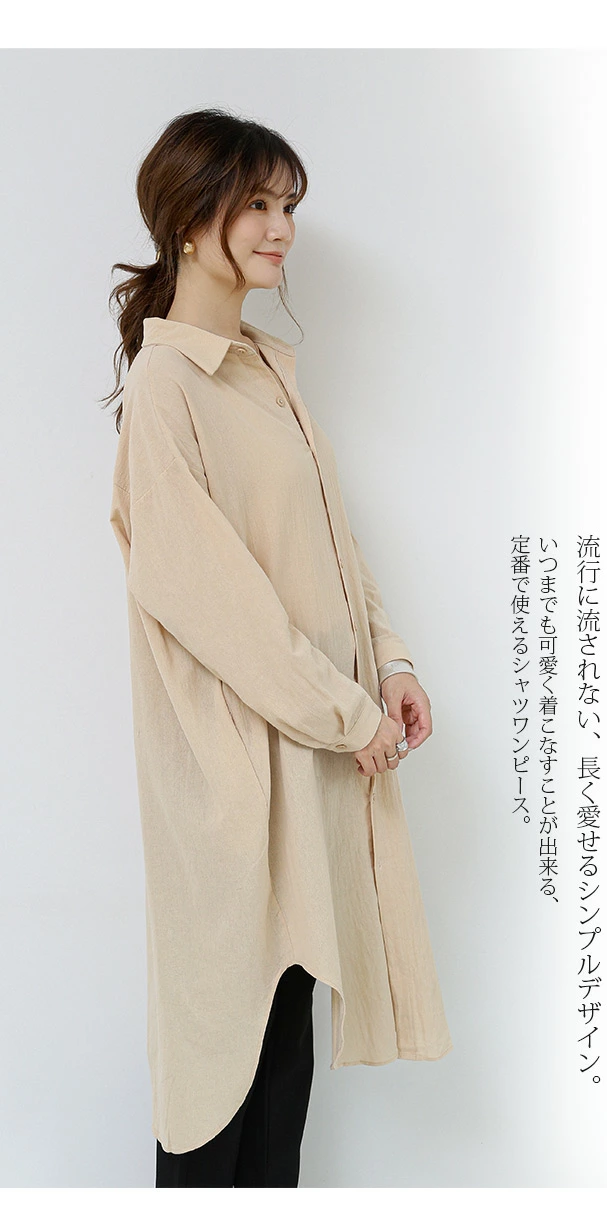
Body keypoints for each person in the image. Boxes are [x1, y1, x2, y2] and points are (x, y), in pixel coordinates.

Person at [105, 107, 452, 1188]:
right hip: (232, 789)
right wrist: (348, 716)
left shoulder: (266, 370)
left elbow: (333, 545)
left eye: (287, 205)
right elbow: (220, 606)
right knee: (215, 1087)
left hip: (308, 775)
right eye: (256, 203)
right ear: (188, 218)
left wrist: (391, 664)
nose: (280, 228)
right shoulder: (167, 388)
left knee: (280, 1088)